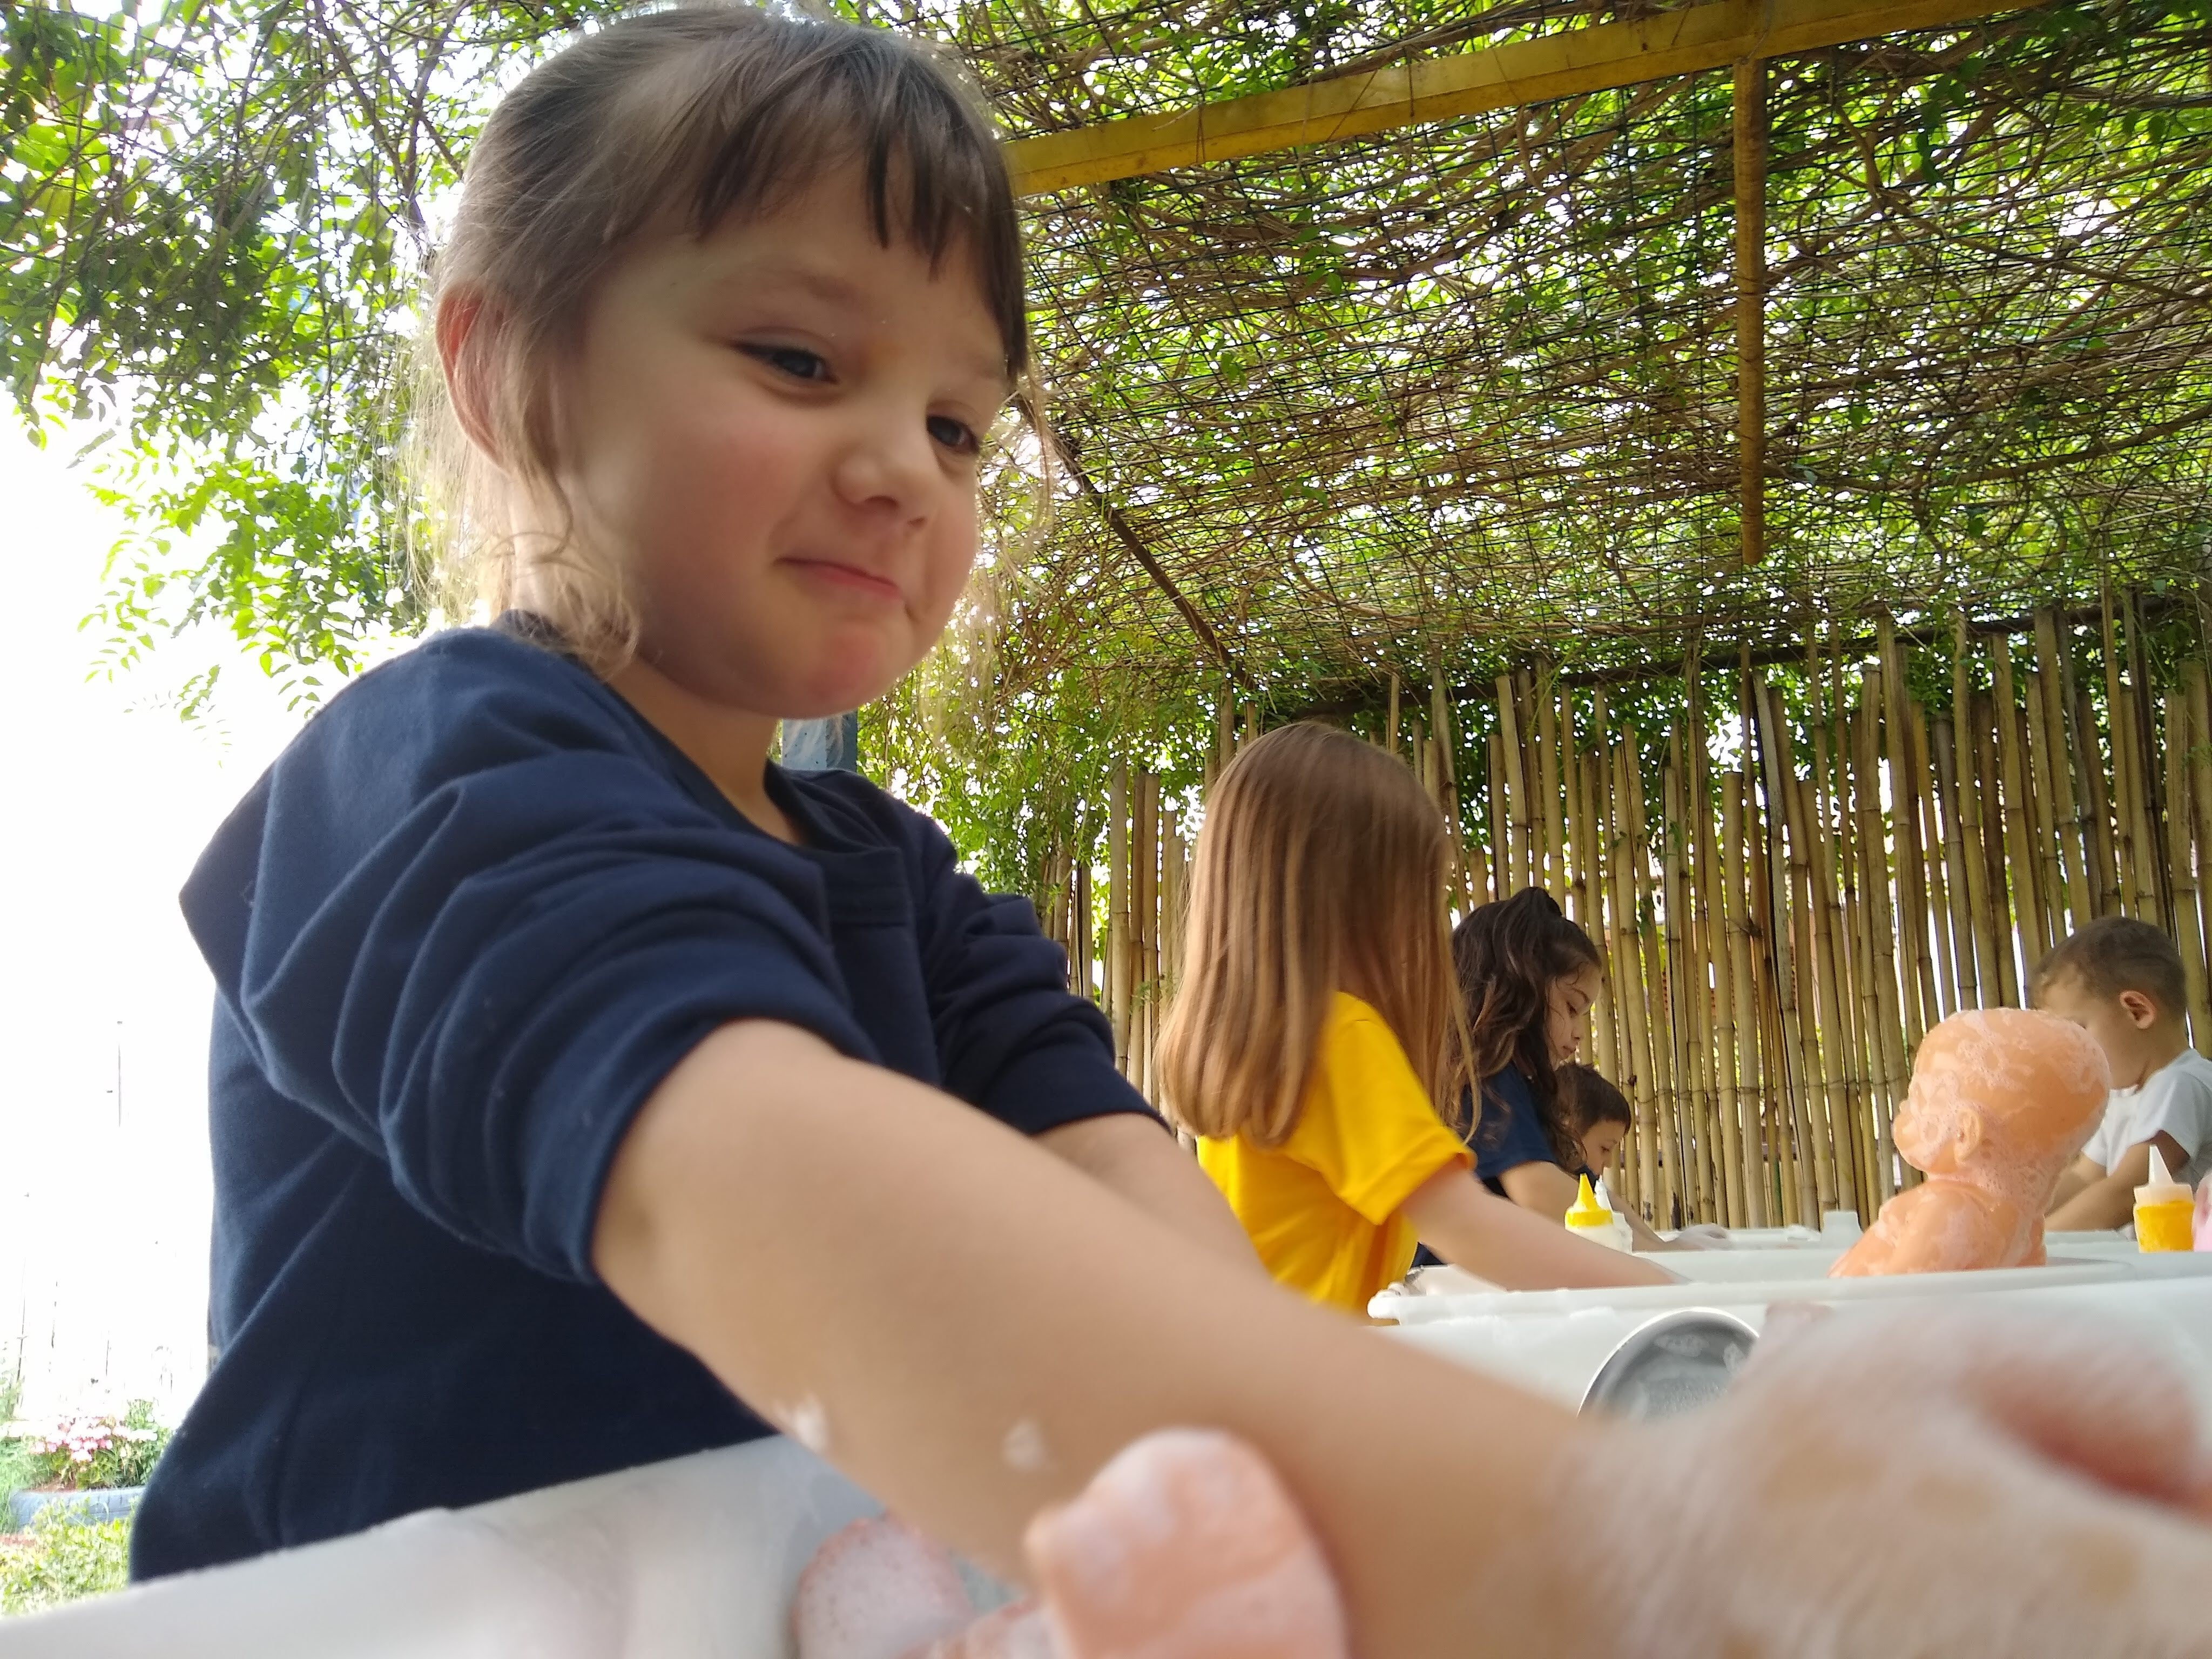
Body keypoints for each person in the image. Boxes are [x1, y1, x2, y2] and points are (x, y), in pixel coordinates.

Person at [123, 9, 2212, 1650]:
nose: (905, 464)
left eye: (958, 422)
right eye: (797, 354)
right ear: (512, 369)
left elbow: (1162, 1262)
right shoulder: (440, 782)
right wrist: (1645, 1550)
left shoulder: (901, 889)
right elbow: (795, 1217)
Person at [1157, 725, 1672, 1311]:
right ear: (1363, 903)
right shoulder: (1338, 1037)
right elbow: (1467, 1226)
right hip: (1325, 1358)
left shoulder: (1264, 1042)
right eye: (1424, 893)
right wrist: (1670, 1295)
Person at [1449, 888, 1686, 1251]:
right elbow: (1538, 1191)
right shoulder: (1486, 1074)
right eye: (1572, 1008)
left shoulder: (1518, 1085)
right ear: (1522, 988)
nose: (1579, 1033)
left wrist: (1661, 1247)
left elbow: (1592, 1193)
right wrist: (1657, 1254)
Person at [2036, 916, 2212, 1230]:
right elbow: (2085, 1177)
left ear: (2137, 1011)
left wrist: (2032, 1245)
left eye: (2077, 1030)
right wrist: (2013, 1219)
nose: (2070, 1051)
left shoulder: (2181, 1084)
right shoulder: (2124, 1095)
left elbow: (2127, 1191)